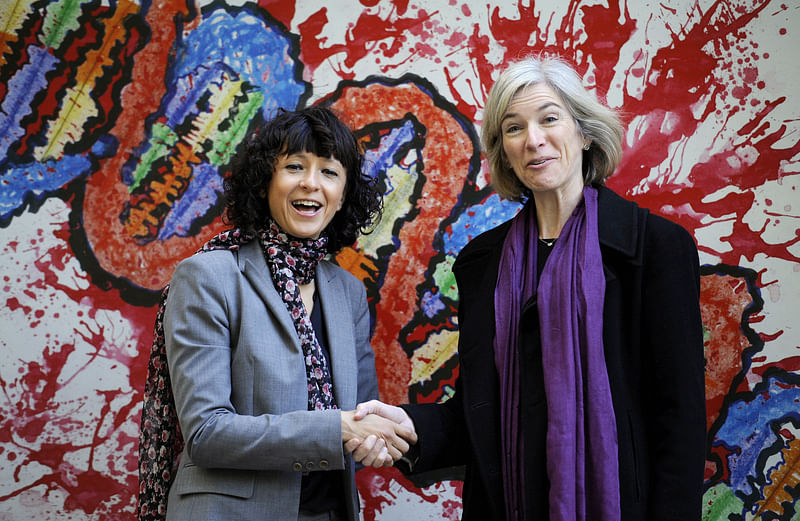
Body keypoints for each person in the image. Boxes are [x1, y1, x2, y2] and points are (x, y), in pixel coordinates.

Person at [352, 55, 706, 520]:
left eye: (549, 119)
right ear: (505, 153)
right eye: (514, 128)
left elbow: (678, 421)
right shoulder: (482, 264)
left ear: (584, 132)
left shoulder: (655, 248)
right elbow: (481, 410)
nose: (534, 140)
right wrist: (412, 425)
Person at [140, 106, 416, 521]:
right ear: (265, 180)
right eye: (294, 166)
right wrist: (339, 429)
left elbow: (358, 415)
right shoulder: (209, 276)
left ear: (343, 196)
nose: (311, 183)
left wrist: (378, 438)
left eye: (329, 172)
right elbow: (206, 433)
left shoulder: (348, 292)